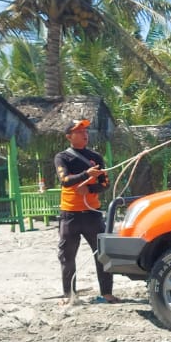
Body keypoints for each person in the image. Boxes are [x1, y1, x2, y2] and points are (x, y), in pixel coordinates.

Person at [55, 118, 115, 302]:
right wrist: (85, 175)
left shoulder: (96, 157)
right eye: (79, 132)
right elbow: (64, 180)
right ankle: (69, 295)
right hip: (70, 214)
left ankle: (106, 293)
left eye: (85, 131)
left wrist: (89, 189)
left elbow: (105, 183)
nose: (84, 134)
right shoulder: (62, 157)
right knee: (67, 256)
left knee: (102, 254)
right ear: (69, 136)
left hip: (92, 214)